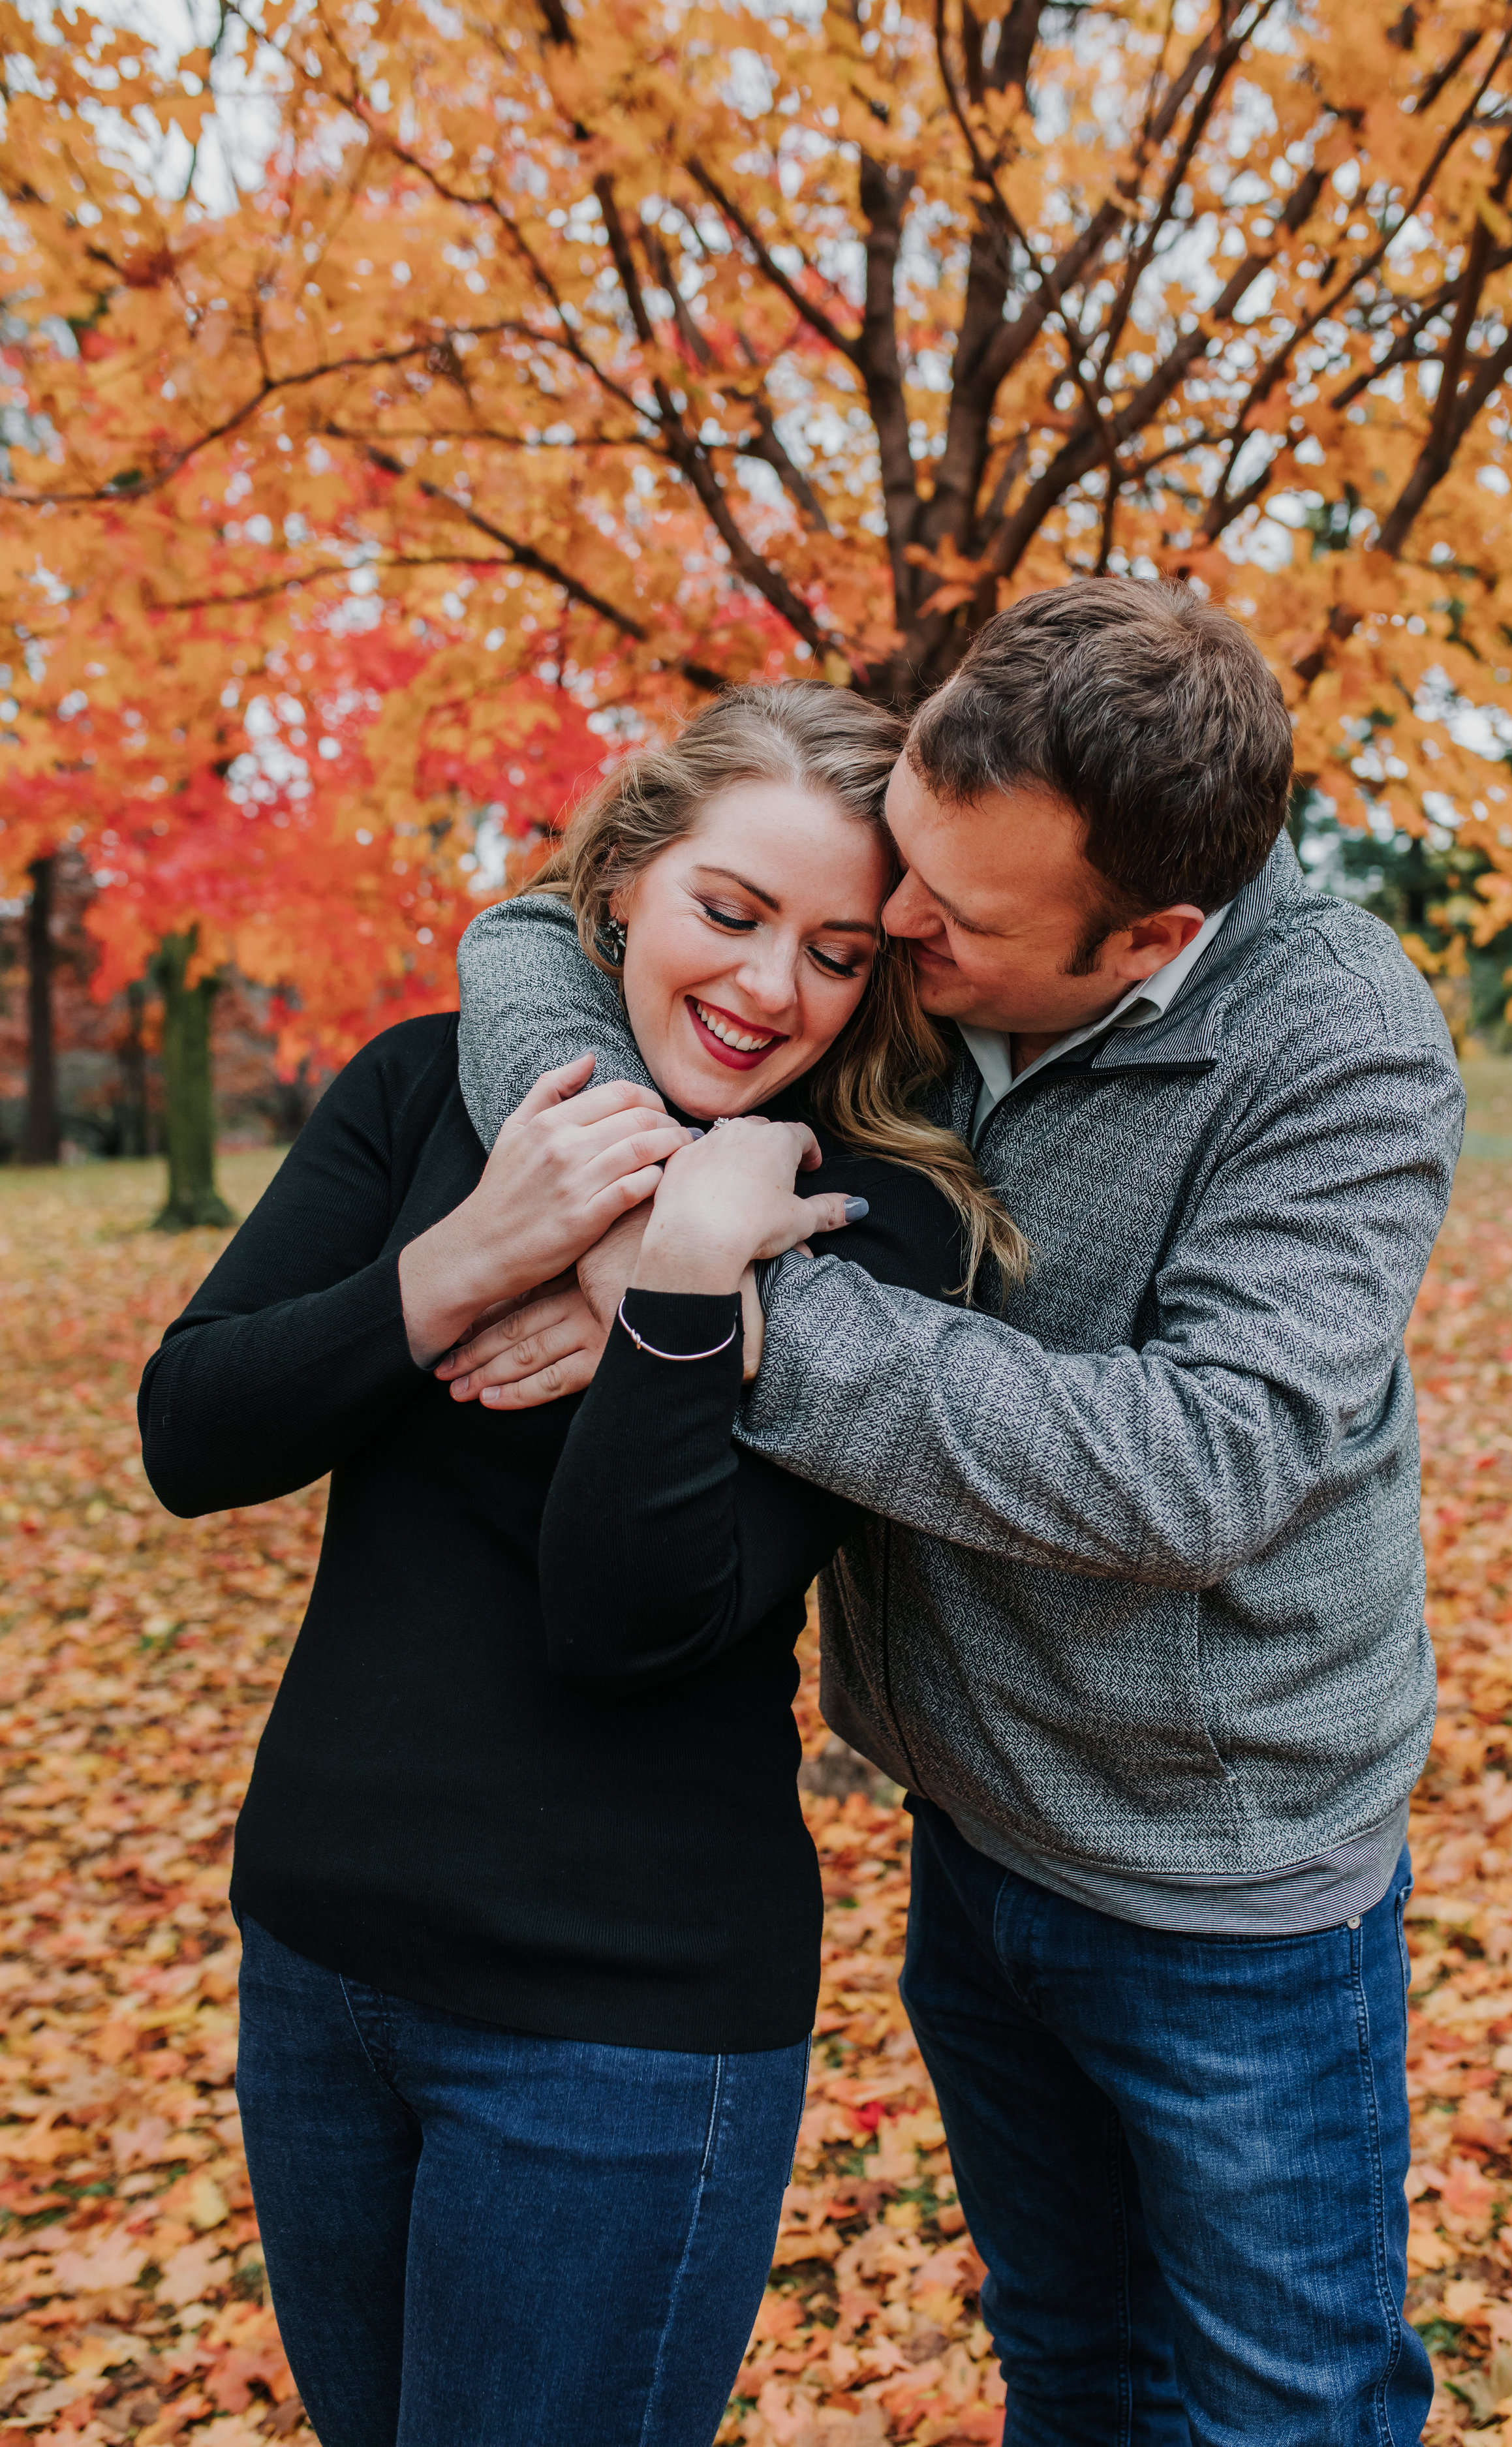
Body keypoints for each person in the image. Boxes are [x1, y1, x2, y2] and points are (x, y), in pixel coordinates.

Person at [452, 577, 1466, 2446]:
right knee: (1070, 2365)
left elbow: (1204, 1467)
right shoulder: (928, 905)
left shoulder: (1341, 1051)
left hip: (1222, 1879)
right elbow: (539, 922)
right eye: (899, 856)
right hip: (971, 1822)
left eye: (952, 913)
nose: (884, 928)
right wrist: (626, 1205)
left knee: (1281, 2410)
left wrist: (718, 1305)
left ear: (1149, 931)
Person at [137, 684, 1024, 2447]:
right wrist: (474, 1257)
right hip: (317, 1964)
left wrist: (684, 1289)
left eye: (837, 952)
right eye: (729, 912)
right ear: (625, 882)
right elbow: (194, 1433)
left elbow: (630, 1620)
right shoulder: (424, 1090)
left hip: (619, 2032)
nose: (770, 988)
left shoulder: (882, 1222)